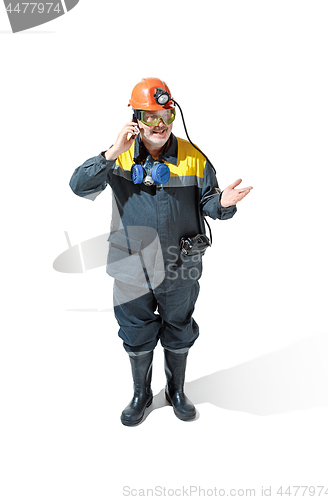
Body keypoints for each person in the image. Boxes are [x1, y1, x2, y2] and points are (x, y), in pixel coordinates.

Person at [69, 77, 252, 426]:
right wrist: (111, 153)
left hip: (180, 267)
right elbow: (79, 186)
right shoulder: (117, 157)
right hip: (130, 268)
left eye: (166, 116)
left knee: (179, 327)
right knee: (135, 331)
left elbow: (209, 202)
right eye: (151, 117)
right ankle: (141, 394)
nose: (160, 125)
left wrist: (223, 203)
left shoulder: (193, 158)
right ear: (136, 118)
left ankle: (176, 391)